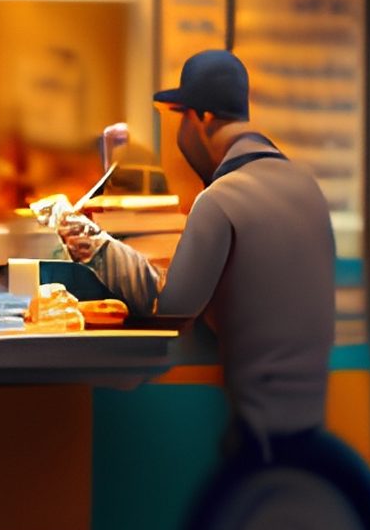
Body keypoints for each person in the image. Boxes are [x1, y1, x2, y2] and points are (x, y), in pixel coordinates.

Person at [50, 49, 335, 455]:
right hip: (309, 418)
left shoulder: (221, 199)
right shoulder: (305, 187)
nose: (179, 134)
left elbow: (170, 310)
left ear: (202, 117)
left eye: (181, 117)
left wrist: (92, 243)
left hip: (258, 428)